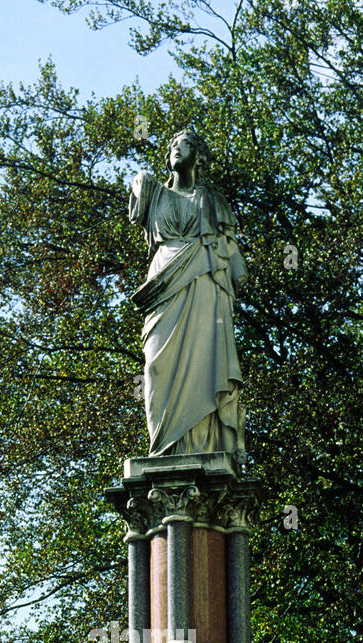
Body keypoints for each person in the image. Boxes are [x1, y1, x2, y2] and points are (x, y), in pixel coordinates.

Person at [128, 128, 247, 458]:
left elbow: (230, 248)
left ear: (199, 155)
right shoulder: (156, 196)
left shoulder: (212, 200)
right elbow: (138, 202)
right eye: (172, 146)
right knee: (154, 366)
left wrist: (237, 271)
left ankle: (202, 445)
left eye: (184, 144)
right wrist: (139, 180)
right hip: (165, 280)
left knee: (206, 362)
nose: (176, 150)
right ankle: (163, 448)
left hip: (204, 280)